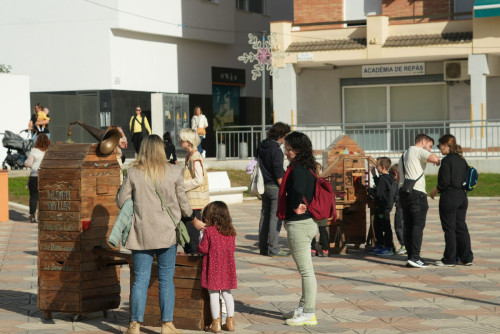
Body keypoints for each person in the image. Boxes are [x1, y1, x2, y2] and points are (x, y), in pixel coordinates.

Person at [116, 135, 205, 334]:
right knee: (166, 279)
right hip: (167, 233)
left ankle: (134, 325)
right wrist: (193, 220)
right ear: (161, 150)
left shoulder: (133, 173)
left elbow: (122, 201)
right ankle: (167, 324)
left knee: (140, 279)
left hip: (141, 233)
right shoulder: (174, 171)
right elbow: (184, 204)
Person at [277, 131, 318, 327]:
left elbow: (296, 191)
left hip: (301, 224)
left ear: (298, 149)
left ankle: (309, 312)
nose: (286, 152)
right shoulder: (304, 166)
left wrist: (294, 205)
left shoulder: (299, 169)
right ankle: (303, 307)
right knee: (305, 270)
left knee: (306, 271)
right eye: (285, 148)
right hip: (304, 223)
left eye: (289, 149)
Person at [397, 134, 440, 268]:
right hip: (417, 193)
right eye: (430, 146)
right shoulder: (417, 150)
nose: (430, 150)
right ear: (423, 142)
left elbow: (398, 177)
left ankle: (411, 256)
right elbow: (434, 158)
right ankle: (415, 257)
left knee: (408, 225)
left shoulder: (403, 155)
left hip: (404, 192)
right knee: (417, 224)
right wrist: (437, 160)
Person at [430, 134, 473, 266]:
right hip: (462, 196)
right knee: (461, 227)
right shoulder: (462, 159)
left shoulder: (447, 161)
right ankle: (466, 258)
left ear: (446, 145)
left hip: (449, 197)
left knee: (449, 228)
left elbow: (443, 182)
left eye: (439, 146)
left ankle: (450, 258)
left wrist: (434, 191)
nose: (439, 149)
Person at [198, 201, 237, 333]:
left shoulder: (209, 231)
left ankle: (216, 323)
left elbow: (203, 249)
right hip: (227, 267)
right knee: (227, 293)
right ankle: (230, 322)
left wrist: (200, 239)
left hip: (213, 267)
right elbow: (232, 248)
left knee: (213, 294)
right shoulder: (231, 231)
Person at [256, 122, 291, 257]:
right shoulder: (276, 150)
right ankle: (274, 248)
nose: (285, 140)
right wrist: (285, 189)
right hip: (274, 186)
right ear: (280, 135)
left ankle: (263, 247)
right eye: (285, 136)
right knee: (275, 218)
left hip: (263, 185)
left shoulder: (262, 145)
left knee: (264, 216)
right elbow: (278, 173)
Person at [179, 128, 210, 254]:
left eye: (182, 139)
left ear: (189, 142)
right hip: (191, 201)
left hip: (195, 203)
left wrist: (181, 185)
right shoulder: (190, 156)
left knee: (192, 238)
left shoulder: (195, 158)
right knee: (187, 236)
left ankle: (192, 261)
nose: (179, 141)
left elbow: (198, 179)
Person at [367, 157, 396, 256]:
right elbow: (380, 186)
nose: (376, 167)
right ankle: (379, 245)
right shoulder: (386, 177)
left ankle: (388, 248)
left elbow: (378, 192)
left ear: (383, 167)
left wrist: (368, 190)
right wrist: (375, 175)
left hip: (383, 207)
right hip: (382, 206)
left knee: (385, 227)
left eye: (377, 166)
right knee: (377, 225)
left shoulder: (384, 179)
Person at [24, 133, 50, 224]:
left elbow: (28, 164)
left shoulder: (34, 151)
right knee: (45, 197)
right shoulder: (49, 151)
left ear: (37, 141)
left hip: (34, 176)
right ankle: (45, 216)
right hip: (46, 176)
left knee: (34, 197)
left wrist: (25, 163)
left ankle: (32, 216)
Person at [310, 163, 329, 257]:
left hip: (313, 210)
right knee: (323, 231)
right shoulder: (323, 182)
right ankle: (325, 250)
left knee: (312, 231)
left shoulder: (311, 181)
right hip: (323, 210)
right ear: (320, 170)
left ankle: (313, 249)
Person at [390, 164, 406, 255]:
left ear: (396, 173)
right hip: (406, 205)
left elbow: (392, 196)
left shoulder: (395, 183)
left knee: (399, 226)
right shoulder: (403, 181)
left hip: (400, 206)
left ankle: (404, 245)